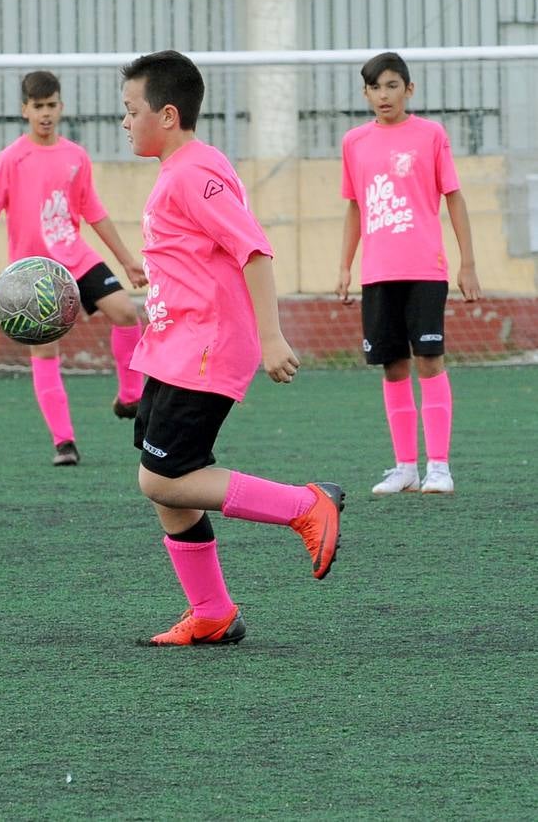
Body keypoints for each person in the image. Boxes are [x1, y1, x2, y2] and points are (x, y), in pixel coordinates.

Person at [120, 50, 344, 646]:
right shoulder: (183, 168)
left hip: (204, 348)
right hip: (170, 347)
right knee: (160, 476)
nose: (124, 121)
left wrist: (272, 337)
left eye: (130, 109)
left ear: (167, 114)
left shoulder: (195, 172)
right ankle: (214, 612)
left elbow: (254, 249)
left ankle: (305, 504)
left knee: (165, 480)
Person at [0, 70, 148, 467]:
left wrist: (128, 260)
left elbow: (92, 211)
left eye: (51, 106)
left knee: (126, 312)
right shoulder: (11, 159)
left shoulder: (75, 156)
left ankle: (130, 397)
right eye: (37, 107)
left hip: (75, 257)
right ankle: (64, 442)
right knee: (46, 351)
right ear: (24, 110)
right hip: (34, 274)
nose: (45, 114)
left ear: (60, 107)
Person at [336, 51, 481, 496]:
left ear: (409, 89)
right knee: (392, 367)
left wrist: (468, 262)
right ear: (365, 93)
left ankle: (439, 466)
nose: (384, 95)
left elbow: (453, 197)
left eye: (392, 85)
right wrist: (344, 266)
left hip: (425, 268)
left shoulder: (431, 135)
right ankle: (405, 467)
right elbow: (356, 207)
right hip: (378, 273)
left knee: (429, 360)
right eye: (375, 87)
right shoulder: (354, 143)